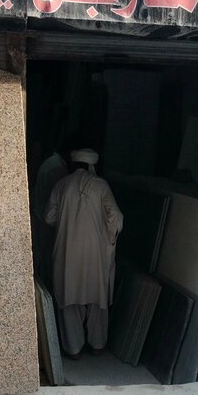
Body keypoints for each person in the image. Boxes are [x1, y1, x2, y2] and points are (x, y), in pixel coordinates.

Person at [45, 149, 123, 359]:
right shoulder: (101, 185)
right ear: (91, 166)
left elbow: (49, 218)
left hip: (66, 252)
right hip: (95, 255)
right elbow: (115, 216)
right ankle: (98, 345)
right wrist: (107, 240)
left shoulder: (61, 185)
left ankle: (74, 349)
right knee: (97, 299)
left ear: (74, 165)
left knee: (70, 298)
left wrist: (67, 221)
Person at [32, 146, 70, 289]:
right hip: (45, 221)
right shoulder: (57, 168)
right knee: (48, 260)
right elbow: (53, 211)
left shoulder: (51, 163)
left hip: (41, 217)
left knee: (44, 258)